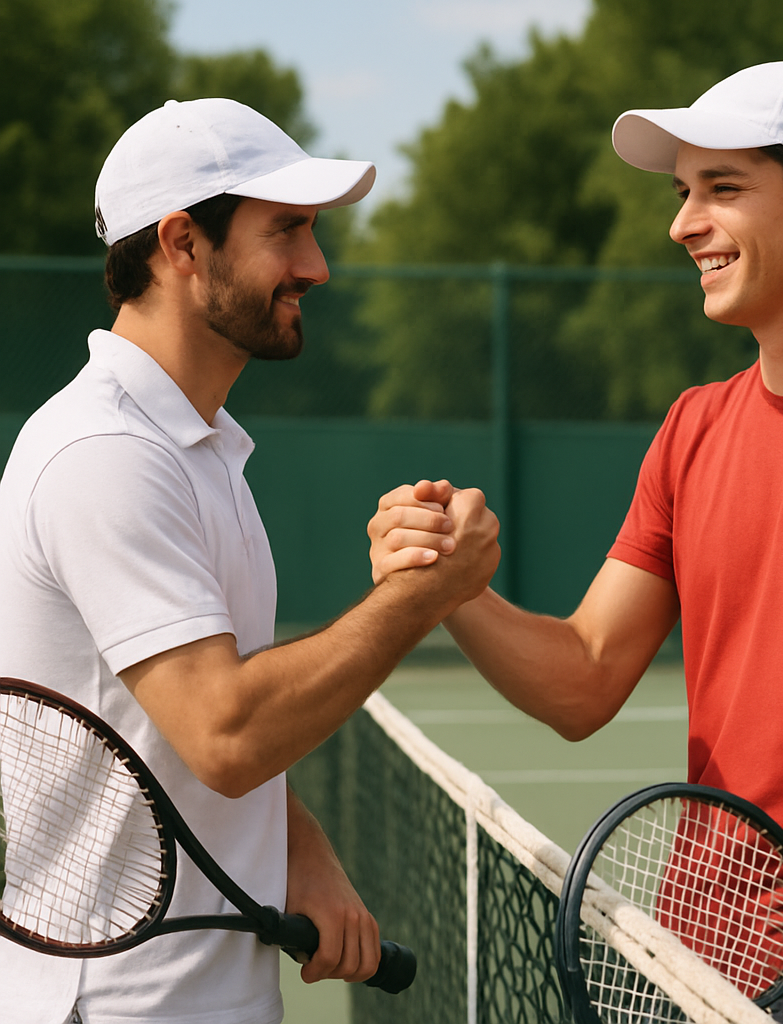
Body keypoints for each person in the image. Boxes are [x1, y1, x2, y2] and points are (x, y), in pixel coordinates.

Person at [367, 60, 783, 1023]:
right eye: (682, 193)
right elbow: (585, 678)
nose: (683, 223)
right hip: (689, 968)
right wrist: (452, 588)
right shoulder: (693, 428)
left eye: (721, 188)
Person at [0, 97, 499, 1024]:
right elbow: (224, 733)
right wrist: (421, 597)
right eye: (286, 231)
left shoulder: (200, 447)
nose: (316, 265)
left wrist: (298, 846)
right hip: (116, 1007)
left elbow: (183, 735)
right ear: (183, 243)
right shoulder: (104, 454)